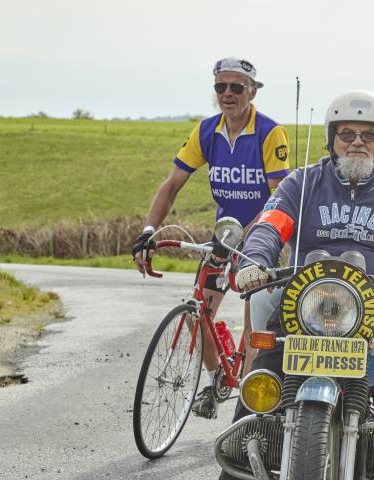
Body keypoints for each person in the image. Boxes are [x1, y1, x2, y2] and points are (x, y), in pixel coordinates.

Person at [220, 90, 374, 480]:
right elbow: (271, 224)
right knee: (257, 399)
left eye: (368, 135)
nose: (357, 143)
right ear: (332, 139)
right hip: (303, 312)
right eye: (347, 133)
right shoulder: (302, 183)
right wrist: (256, 260)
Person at [132, 56, 290, 420]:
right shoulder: (206, 131)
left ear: (253, 91)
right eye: (221, 87)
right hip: (225, 236)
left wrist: (251, 238)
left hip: (262, 238)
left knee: (254, 331)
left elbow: (279, 197)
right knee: (197, 310)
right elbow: (172, 185)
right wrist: (148, 231)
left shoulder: (270, 132)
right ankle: (215, 377)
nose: (228, 94)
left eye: (237, 87)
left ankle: (249, 414)